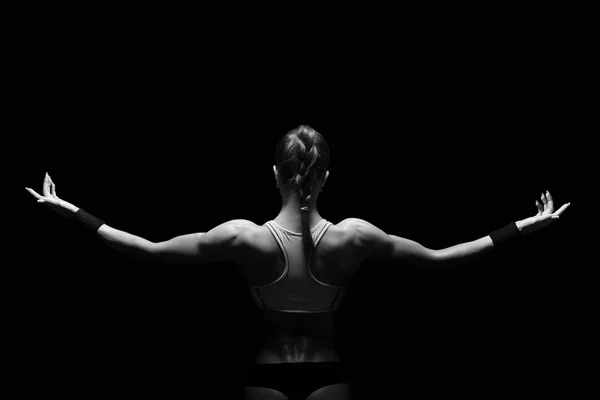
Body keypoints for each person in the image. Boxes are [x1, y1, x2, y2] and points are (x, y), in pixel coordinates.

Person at [26, 125, 571, 400]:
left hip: (264, 373)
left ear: (275, 175)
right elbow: (443, 258)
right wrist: (527, 225)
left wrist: (67, 209)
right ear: (326, 177)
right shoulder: (354, 236)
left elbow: (143, 249)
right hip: (330, 374)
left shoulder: (243, 238)